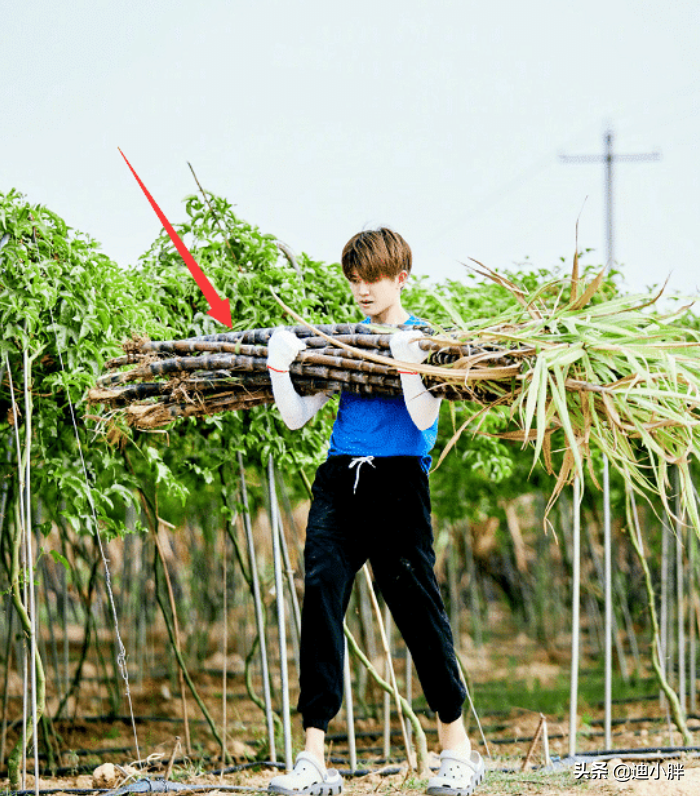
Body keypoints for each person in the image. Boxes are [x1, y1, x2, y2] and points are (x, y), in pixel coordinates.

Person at [265, 228, 484, 796]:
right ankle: (313, 757)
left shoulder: (426, 341)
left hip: (398, 483)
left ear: (401, 278)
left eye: (375, 279)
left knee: (416, 608)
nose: (363, 290)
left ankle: (457, 749)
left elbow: (422, 419)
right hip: (341, 480)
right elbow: (296, 416)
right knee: (321, 596)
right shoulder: (343, 342)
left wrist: (408, 361)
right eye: (356, 280)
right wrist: (281, 368)